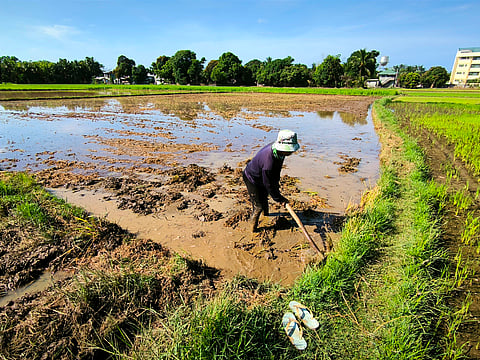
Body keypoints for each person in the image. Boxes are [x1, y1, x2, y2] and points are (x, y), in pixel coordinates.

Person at [242, 129, 300, 232]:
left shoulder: (278, 152)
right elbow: (268, 184)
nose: (290, 152)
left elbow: (275, 173)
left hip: (262, 176)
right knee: (258, 206)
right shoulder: (269, 162)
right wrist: (279, 198)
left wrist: (276, 186)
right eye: (289, 150)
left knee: (264, 199)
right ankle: (252, 229)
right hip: (252, 179)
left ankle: (266, 216)